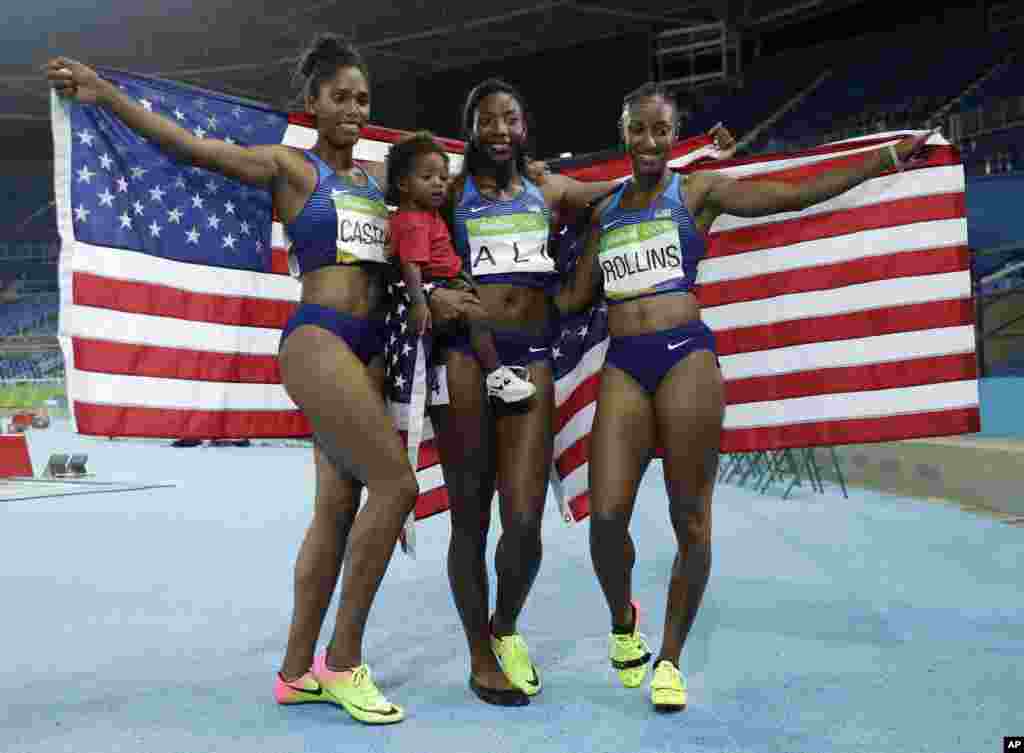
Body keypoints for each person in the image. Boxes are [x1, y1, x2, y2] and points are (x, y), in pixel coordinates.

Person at [45, 34, 453, 725]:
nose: (354, 109)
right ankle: (344, 660)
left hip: (372, 352)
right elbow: (193, 148)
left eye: (363, 99)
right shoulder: (290, 168)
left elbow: (447, 192)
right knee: (397, 485)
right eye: (341, 97)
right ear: (313, 103)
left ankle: (297, 670)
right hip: (318, 338)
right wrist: (108, 96)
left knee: (336, 509)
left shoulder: (379, 185)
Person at [560, 82, 935, 712]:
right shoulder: (606, 213)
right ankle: (624, 622)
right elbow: (573, 298)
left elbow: (791, 194)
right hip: (624, 364)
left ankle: (671, 660)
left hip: (686, 359)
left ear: (673, 136)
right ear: (623, 133)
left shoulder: (698, 191)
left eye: (660, 130)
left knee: (691, 518)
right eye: (637, 130)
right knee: (604, 520)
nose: (649, 142)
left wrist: (884, 159)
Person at [422, 77, 738, 706]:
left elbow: (627, 191)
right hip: (465, 357)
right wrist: (431, 294)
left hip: (532, 356)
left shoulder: (547, 188)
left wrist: (699, 156)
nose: (501, 130)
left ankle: (505, 625)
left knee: (523, 520)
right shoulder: (449, 190)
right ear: (471, 127)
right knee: (470, 518)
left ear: (524, 128)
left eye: (511, 119)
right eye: (488, 120)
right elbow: (396, 202)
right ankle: (482, 655)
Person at [385, 131, 536, 403]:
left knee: (483, 317)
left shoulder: (425, 213)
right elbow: (411, 266)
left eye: (443, 178)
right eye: (428, 177)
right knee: (476, 317)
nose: (439, 184)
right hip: (439, 286)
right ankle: (495, 376)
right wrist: (420, 303)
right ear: (403, 184)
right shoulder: (414, 222)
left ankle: (495, 364)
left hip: (451, 279)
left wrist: (525, 169)